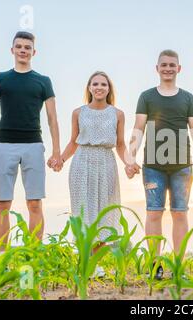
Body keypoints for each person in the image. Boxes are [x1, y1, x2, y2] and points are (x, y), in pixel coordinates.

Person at [0, 31, 61, 244]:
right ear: (12, 50)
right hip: (4, 145)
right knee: (2, 204)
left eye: (27, 47)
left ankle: (34, 255)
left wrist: (57, 152)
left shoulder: (43, 81)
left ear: (33, 52)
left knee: (35, 203)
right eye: (19, 46)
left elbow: (52, 118)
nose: (23, 50)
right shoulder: (0, 78)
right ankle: (2, 254)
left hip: (34, 146)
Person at [126, 50, 193, 279]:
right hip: (153, 165)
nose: (168, 68)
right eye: (164, 65)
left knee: (180, 214)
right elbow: (138, 128)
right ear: (157, 68)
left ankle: (179, 266)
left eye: (172, 65)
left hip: (182, 166)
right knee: (153, 213)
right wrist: (130, 158)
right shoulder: (147, 96)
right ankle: (155, 266)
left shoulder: (188, 98)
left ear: (179, 68)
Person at [60, 71, 127, 265]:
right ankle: (85, 261)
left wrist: (129, 164)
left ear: (109, 89)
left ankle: (95, 263)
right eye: (95, 84)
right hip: (82, 162)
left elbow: (121, 145)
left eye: (103, 84)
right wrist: (61, 160)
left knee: (105, 213)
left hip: (106, 162)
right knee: (83, 212)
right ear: (89, 88)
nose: (99, 87)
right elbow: (73, 142)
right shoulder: (78, 113)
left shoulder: (118, 114)